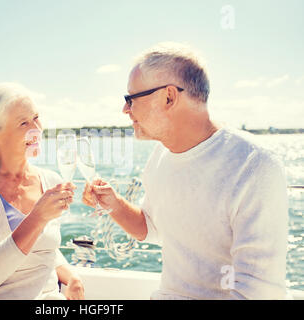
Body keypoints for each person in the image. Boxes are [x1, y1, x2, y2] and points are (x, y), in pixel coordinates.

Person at [83, 42, 289, 300]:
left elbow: (257, 293)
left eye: (130, 99)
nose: (125, 109)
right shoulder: (160, 156)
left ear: (169, 96)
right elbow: (151, 228)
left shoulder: (254, 165)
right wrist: (114, 204)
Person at [0, 83, 84, 300]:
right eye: (23, 123)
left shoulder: (50, 181)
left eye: (36, 117)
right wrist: (38, 217)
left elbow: (41, 248)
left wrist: (71, 275)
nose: (36, 129)